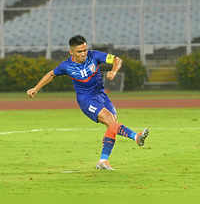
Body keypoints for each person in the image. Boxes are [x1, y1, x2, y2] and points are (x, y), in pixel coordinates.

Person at [26, 35, 149, 170]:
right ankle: (134, 138)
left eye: (85, 50)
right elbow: (51, 74)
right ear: (71, 52)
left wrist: (113, 71)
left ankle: (104, 160)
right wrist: (36, 88)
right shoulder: (66, 66)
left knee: (113, 124)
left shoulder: (94, 55)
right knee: (110, 120)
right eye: (80, 51)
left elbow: (117, 59)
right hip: (86, 100)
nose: (84, 53)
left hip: (101, 96)